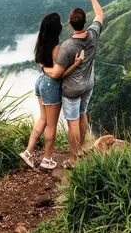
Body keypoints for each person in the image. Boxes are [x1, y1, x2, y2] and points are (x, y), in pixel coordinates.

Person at [20, 13, 84, 170]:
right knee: (51, 125)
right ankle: (47, 159)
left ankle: (28, 152)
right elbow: (58, 74)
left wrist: (44, 68)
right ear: (57, 29)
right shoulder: (57, 49)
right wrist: (75, 65)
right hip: (51, 86)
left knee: (43, 119)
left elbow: (41, 64)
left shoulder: (40, 43)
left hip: (40, 82)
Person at [55, 0, 104, 167]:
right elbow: (100, 14)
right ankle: (81, 149)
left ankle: (73, 159)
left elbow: (58, 73)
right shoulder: (93, 34)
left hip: (73, 90)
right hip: (88, 84)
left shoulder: (67, 46)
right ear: (85, 22)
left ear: (70, 23)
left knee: (73, 123)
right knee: (83, 115)